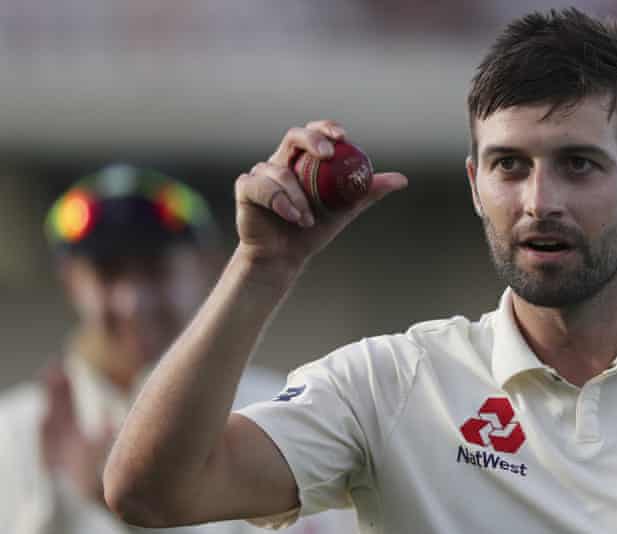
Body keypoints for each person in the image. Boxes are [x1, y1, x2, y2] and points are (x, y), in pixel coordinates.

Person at [103, 9, 617, 534]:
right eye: (510, 165)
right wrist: (261, 267)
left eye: (579, 164)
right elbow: (150, 492)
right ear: (476, 183)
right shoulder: (391, 385)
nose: (539, 202)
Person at [0, 165, 357, 534]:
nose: (132, 302)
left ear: (208, 268)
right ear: (71, 283)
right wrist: (58, 504)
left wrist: (125, 500)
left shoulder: (281, 414)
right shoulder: (13, 433)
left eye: (155, 270)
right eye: (108, 274)